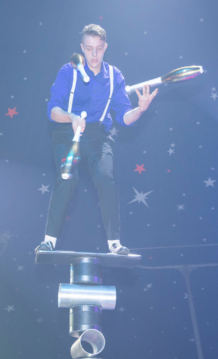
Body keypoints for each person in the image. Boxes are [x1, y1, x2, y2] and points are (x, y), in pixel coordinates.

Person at [36, 24, 158, 255]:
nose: (94, 55)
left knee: (106, 178)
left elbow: (124, 117)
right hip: (67, 133)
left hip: (97, 137)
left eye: (99, 49)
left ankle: (114, 244)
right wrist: (72, 117)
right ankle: (48, 241)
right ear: (82, 47)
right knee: (67, 177)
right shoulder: (68, 71)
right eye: (89, 48)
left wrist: (140, 110)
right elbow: (53, 111)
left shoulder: (114, 76)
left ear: (105, 47)